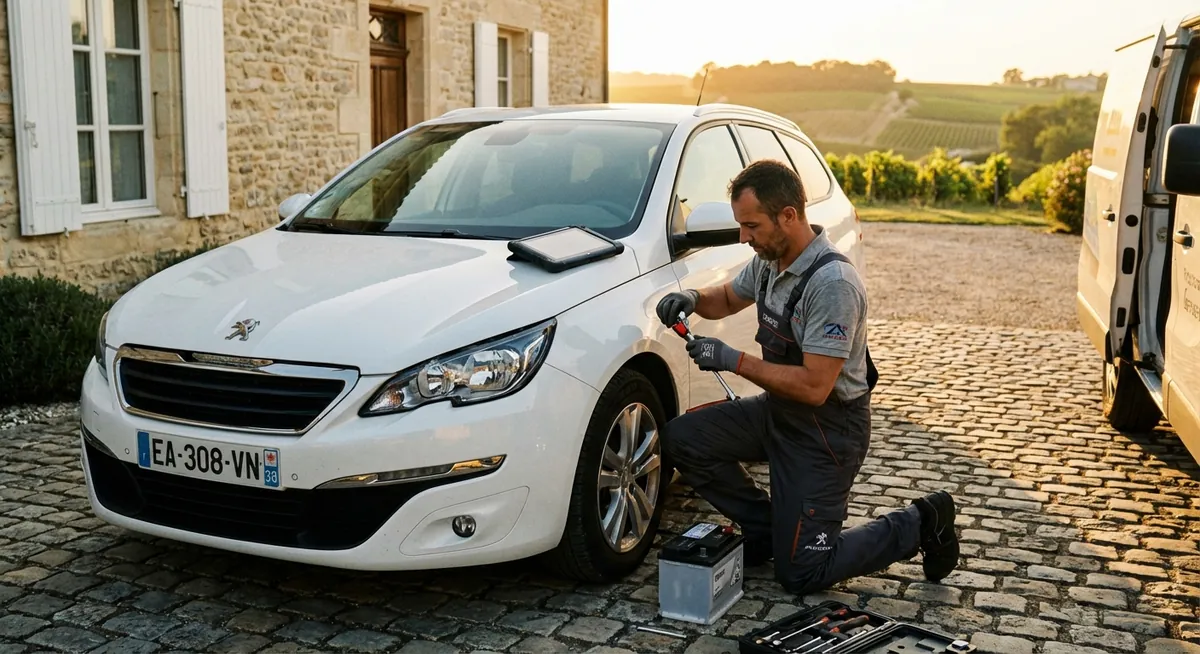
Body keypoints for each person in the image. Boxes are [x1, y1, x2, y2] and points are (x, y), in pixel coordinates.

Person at [656, 159, 959, 596]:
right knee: (684, 438)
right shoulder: (768, 260)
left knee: (802, 573)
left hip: (828, 431)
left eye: (751, 225)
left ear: (788, 216)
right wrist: (691, 297)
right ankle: (765, 529)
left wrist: (731, 359)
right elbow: (725, 297)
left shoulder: (832, 284)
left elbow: (816, 387)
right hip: (779, 412)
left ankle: (921, 522)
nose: (744, 237)